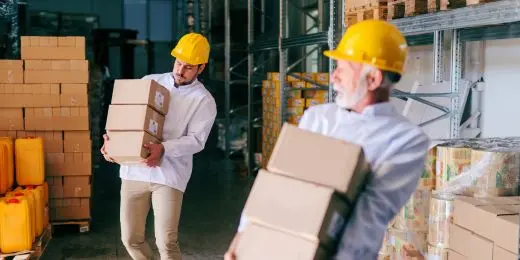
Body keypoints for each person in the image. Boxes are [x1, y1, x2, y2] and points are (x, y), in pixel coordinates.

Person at [224, 20, 430, 260]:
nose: (334, 77)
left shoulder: (405, 140)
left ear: (373, 79)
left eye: (343, 68)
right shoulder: (318, 118)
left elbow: (367, 219)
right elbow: (279, 183)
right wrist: (244, 238)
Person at [101, 32, 217, 260]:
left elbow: (196, 140)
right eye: (178, 63)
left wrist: (163, 148)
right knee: (130, 239)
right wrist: (113, 141)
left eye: (188, 67)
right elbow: (127, 116)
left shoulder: (203, 100)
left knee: (166, 242)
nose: (180, 71)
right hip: (135, 170)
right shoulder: (149, 81)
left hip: (169, 174)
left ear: (201, 68)